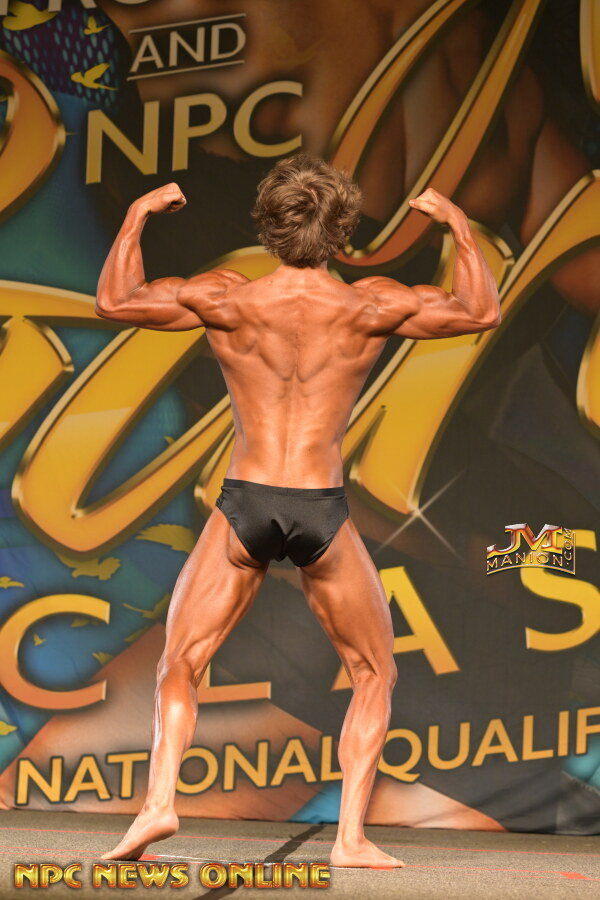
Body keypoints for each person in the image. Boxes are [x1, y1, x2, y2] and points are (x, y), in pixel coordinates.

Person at [94, 154, 501, 867]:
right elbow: (481, 311)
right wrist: (458, 226)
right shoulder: (369, 306)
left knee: (180, 662)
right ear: (342, 232)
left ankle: (158, 804)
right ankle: (349, 839)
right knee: (373, 673)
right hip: (320, 508)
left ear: (268, 227)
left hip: (246, 502)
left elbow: (116, 301)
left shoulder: (227, 298)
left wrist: (137, 216)